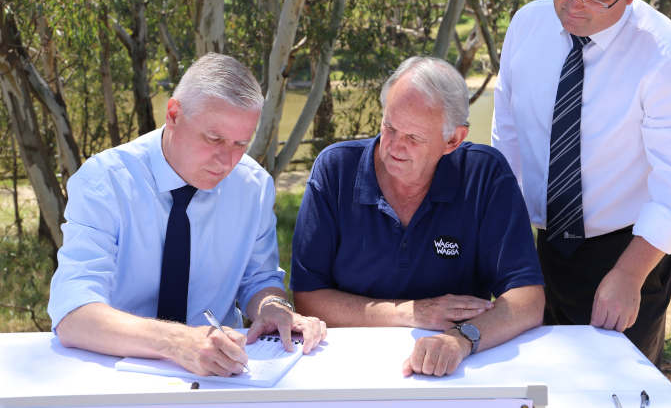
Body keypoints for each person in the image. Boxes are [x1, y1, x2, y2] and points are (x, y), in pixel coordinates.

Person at [491, 0, 671, 367]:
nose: (572, 6)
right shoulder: (527, 25)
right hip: (536, 245)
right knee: (535, 382)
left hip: (627, 250)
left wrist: (629, 274)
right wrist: (501, 238)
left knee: (617, 388)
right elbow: (507, 136)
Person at [48, 53, 326, 377]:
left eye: (240, 143)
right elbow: (73, 314)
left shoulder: (253, 186)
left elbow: (258, 280)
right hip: (118, 376)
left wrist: (273, 308)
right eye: (214, 138)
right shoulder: (104, 183)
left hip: (221, 378)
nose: (226, 161)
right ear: (173, 114)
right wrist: (177, 342)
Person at [291, 56, 545, 377]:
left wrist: (461, 339)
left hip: (451, 370)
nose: (395, 146)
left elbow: (528, 299)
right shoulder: (336, 169)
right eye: (390, 127)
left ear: (453, 140)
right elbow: (307, 298)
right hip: (345, 364)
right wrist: (413, 312)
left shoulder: (485, 175)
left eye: (414, 138)